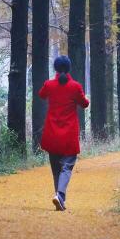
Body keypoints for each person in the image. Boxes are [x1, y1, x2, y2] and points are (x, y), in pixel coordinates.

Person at [38, 55, 90, 212]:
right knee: (66, 167)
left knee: (56, 169)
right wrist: (84, 97)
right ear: (69, 68)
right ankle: (60, 196)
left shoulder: (49, 85)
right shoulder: (75, 86)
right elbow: (85, 104)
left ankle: (59, 198)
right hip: (69, 135)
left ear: (55, 68)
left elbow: (41, 94)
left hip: (52, 133)